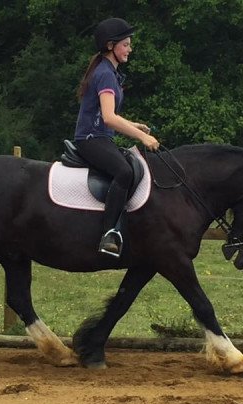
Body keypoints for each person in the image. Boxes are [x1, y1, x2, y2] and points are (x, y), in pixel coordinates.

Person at [74, 17, 160, 257]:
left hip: (100, 137)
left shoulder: (107, 71)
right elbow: (110, 118)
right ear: (111, 46)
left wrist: (134, 125)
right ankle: (109, 232)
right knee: (124, 172)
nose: (130, 50)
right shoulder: (105, 74)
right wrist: (143, 139)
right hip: (90, 139)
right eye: (126, 45)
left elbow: (106, 117)